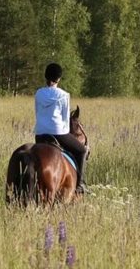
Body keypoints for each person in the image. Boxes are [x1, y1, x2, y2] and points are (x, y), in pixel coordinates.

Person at [34, 63, 88, 194]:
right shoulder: (64, 95)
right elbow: (65, 119)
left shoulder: (38, 93)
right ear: (58, 78)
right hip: (58, 132)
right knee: (81, 151)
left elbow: (37, 112)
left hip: (40, 134)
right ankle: (80, 185)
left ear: (45, 76)